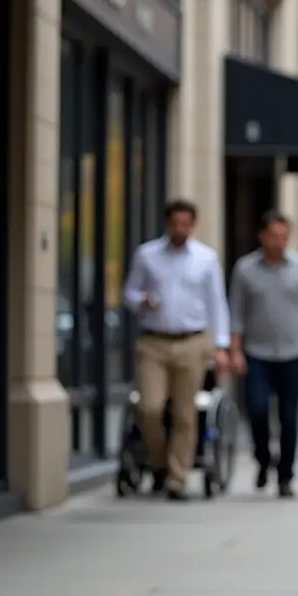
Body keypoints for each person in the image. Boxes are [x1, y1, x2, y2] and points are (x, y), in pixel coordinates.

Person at [123, 200, 230, 500]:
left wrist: (220, 345)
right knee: (150, 408)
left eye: (186, 223)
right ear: (167, 224)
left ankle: (176, 478)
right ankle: (158, 463)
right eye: (175, 223)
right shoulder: (147, 255)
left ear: (192, 225)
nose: (180, 229)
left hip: (191, 343)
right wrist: (141, 299)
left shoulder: (205, 259)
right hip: (153, 342)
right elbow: (128, 293)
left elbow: (216, 303)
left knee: (186, 414)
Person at [228, 209, 298, 498]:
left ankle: (285, 476)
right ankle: (263, 458)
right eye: (274, 235)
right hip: (256, 353)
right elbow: (236, 314)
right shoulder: (245, 270)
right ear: (262, 236)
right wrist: (235, 351)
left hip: (293, 352)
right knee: (257, 410)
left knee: (288, 416)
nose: (279, 241)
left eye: (284, 236)